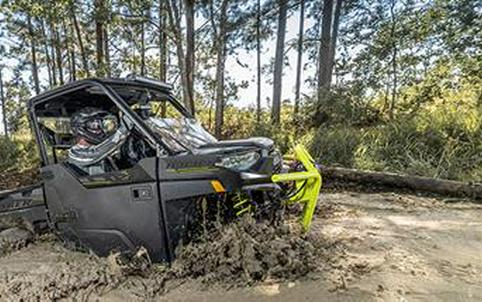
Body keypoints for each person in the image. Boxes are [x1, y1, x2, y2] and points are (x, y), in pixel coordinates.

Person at [68, 107, 129, 175]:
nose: (98, 128)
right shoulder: (76, 154)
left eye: (100, 123)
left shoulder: (104, 151)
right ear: (81, 128)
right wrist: (124, 128)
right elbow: (99, 151)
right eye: (93, 125)